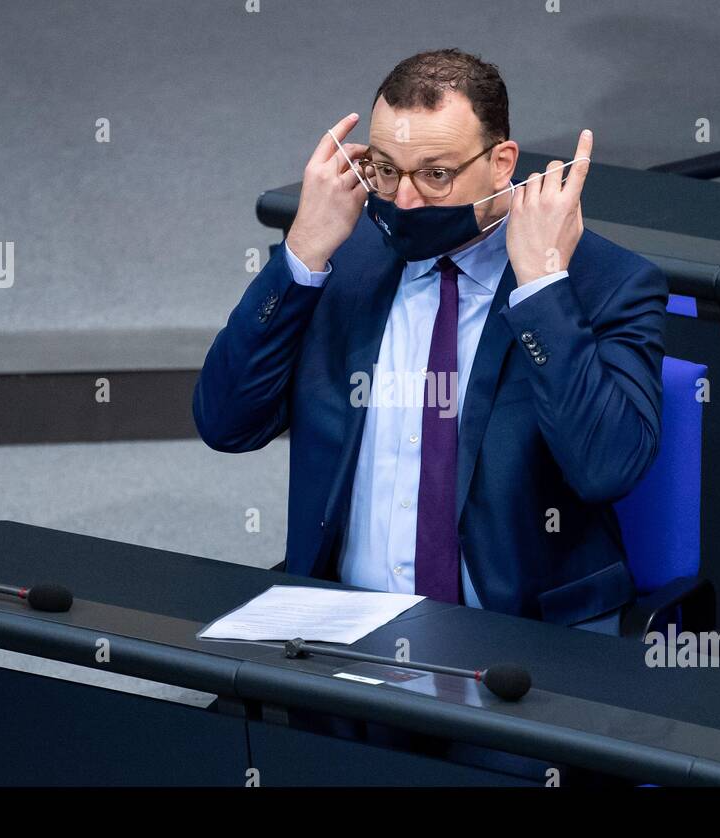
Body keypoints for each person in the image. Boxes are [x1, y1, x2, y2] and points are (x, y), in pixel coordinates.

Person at [194, 48, 666, 634]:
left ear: (502, 163)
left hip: (524, 653)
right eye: (386, 170)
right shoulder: (341, 258)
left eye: (435, 174)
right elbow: (225, 423)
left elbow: (606, 467)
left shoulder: (601, 283)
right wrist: (302, 254)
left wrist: (543, 289)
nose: (406, 201)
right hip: (344, 637)